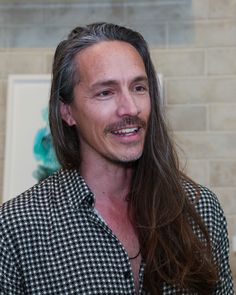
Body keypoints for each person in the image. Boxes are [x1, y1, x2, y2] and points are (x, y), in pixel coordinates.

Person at [0, 22, 234, 295]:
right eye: (105, 92)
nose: (130, 108)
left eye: (138, 87)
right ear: (68, 112)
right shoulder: (16, 229)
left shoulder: (200, 210)